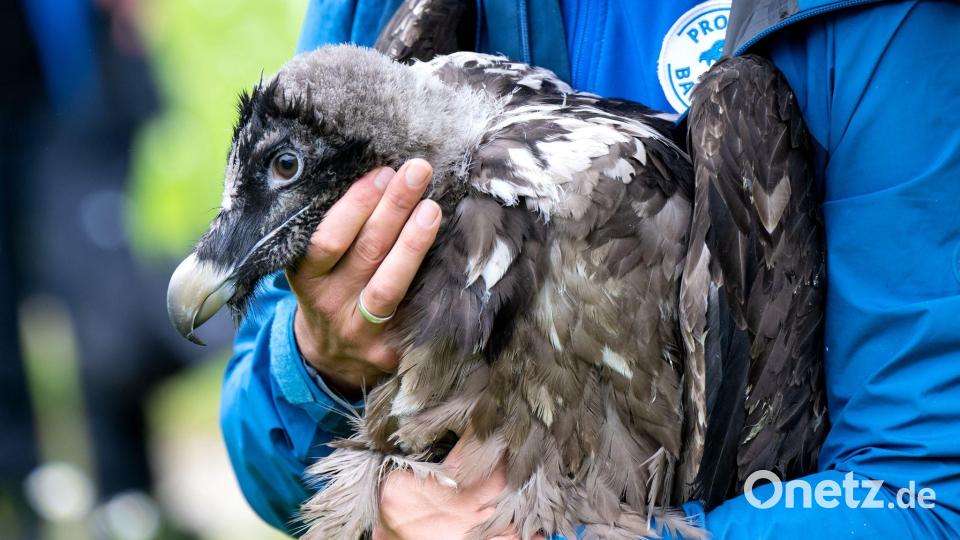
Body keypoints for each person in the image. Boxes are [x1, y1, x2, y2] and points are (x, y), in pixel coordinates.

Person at [219, 0, 960, 538]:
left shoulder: (879, 24)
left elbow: (920, 497)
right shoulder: (400, 27)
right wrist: (320, 360)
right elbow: (263, 453)